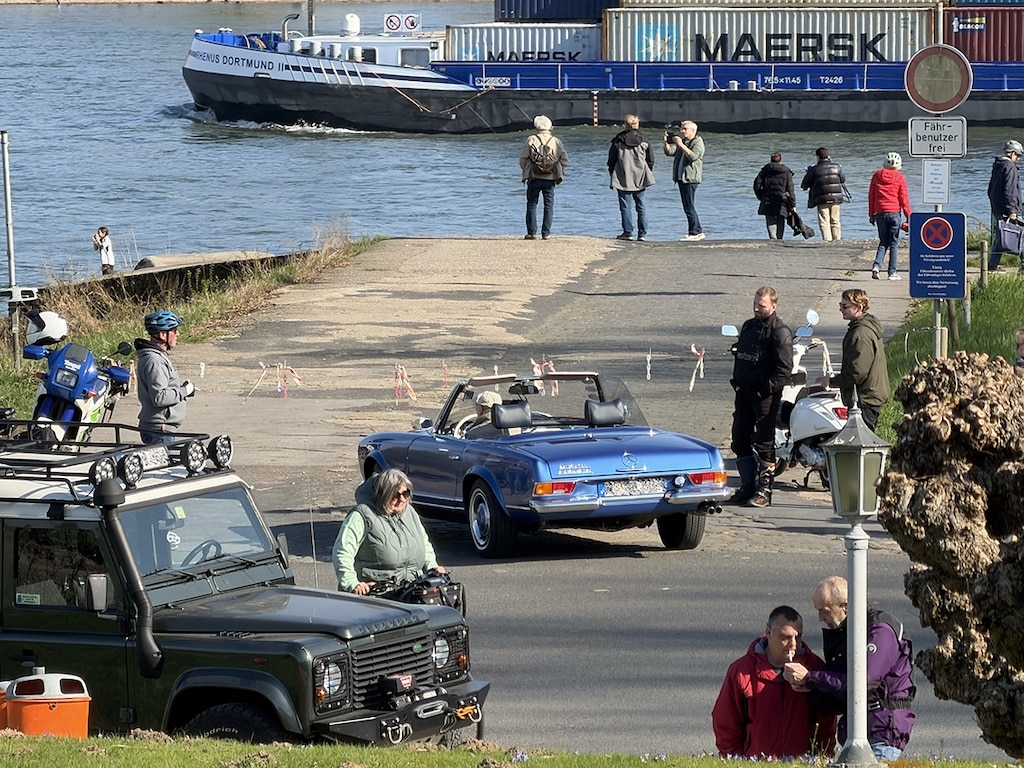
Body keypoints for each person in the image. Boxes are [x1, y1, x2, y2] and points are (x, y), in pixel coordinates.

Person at [783, 576, 916, 761]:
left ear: (845, 605)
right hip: (857, 730)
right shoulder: (848, 632)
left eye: (824, 611)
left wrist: (810, 677)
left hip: (880, 731)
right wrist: (808, 687)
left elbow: (863, 682)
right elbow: (839, 693)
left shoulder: (880, 630)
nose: (820, 618)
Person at [712, 605, 836, 759]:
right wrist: (734, 759)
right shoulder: (743, 670)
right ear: (769, 633)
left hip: (800, 762)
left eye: (797, 637)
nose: (793, 645)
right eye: (785, 638)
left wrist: (820, 757)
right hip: (756, 761)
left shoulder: (814, 669)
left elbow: (826, 722)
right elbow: (726, 722)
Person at [332, 468, 446, 595]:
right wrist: (352, 583)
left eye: (406, 493)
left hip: (411, 590)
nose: (402, 499)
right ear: (382, 494)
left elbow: (424, 544)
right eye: (396, 495)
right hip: (377, 594)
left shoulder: (410, 513)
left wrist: (432, 567)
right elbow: (342, 552)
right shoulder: (362, 515)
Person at [729, 287, 793, 507]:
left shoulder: (780, 332)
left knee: (764, 443)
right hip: (744, 392)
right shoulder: (748, 326)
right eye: (755, 304)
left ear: (773, 306)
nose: (757, 308)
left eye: (761, 305)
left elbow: (784, 370)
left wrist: (765, 390)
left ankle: (764, 490)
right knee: (739, 439)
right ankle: (747, 486)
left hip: (765, 395)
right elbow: (741, 357)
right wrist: (737, 383)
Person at [816, 289, 890, 432]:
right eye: (840, 305)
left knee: (861, 443)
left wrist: (832, 381)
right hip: (867, 395)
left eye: (845, 306)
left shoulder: (861, 333)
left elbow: (857, 372)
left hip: (864, 398)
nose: (840, 309)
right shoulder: (863, 327)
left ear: (859, 307)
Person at [134, 310, 194, 445]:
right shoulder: (155, 361)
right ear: (162, 334)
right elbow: (159, 397)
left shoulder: (158, 357)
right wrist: (185, 391)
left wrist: (181, 389)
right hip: (160, 430)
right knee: (163, 466)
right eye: (174, 330)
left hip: (161, 428)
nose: (178, 334)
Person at [519, 115, 569, 241]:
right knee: (549, 205)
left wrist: (526, 170)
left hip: (534, 176)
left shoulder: (531, 139)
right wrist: (558, 170)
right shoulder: (556, 141)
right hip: (550, 177)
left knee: (532, 203)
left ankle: (531, 232)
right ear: (549, 126)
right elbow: (564, 159)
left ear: (536, 126)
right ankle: (546, 233)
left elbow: (523, 159)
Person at [608, 114, 655, 242]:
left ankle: (628, 232)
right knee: (641, 206)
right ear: (637, 124)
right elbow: (650, 160)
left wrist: (612, 173)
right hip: (640, 176)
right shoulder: (644, 140)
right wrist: (646, 172)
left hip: (622, 176)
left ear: (625, 124)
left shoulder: (618, 140)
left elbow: (611, 160)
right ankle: (642, 234)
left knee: (625, 206)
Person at [868, 152, 911, 281]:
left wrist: (871, 214)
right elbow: (904, 199)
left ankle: (877, 266)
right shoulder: (900, 178)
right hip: (894, 213)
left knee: (883, 242)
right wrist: (909, 216)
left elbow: (871, 197)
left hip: (880, 213)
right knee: (893, 243)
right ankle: (892, 272)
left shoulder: (876, 176)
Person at [664, 120, 705, 241]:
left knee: (689, 206)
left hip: (690, 178)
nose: (682, 131)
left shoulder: (697, 142)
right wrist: (666, 142)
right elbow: (670, 152)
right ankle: (694, 230)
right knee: (687, 206)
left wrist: (681, 145)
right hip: (681, 178)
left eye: (685, 129)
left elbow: (693, 156)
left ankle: (696, 232)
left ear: (692, 130)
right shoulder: (684, 142)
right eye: (682, 129)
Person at [987, 139, 1022, 272]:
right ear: (1012, 153)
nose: (1018, 159)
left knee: (1000, 236)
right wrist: (1012, 209)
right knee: (1021, 235)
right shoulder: (1009, 167)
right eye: (1017, 155)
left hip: (997, 207)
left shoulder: (997, 165)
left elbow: (991, 189)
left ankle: (992, 264)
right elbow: (1010, 190)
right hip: (1007, 208)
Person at [801, 147, 847, 242]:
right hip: (836, 198)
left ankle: (827, 240)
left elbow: (804, 184)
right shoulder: (836, 167)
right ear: (828, 156)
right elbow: (842, 179)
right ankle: (837, 239)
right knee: (835, 220)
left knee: (824, 220)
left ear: (818, 157)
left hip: (821, 198)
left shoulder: (814, 169)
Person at [753, 152, 797, 240]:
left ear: (771, 160)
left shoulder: (765, 171)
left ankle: (773, 237)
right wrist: (793, 204)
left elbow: (756, 185)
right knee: (780, 218)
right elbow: (790, 188)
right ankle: (779, 238)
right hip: (782, 199)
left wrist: (761, 197)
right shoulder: (786, 172)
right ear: (781, 160)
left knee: (770, 219)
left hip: (767, 198)